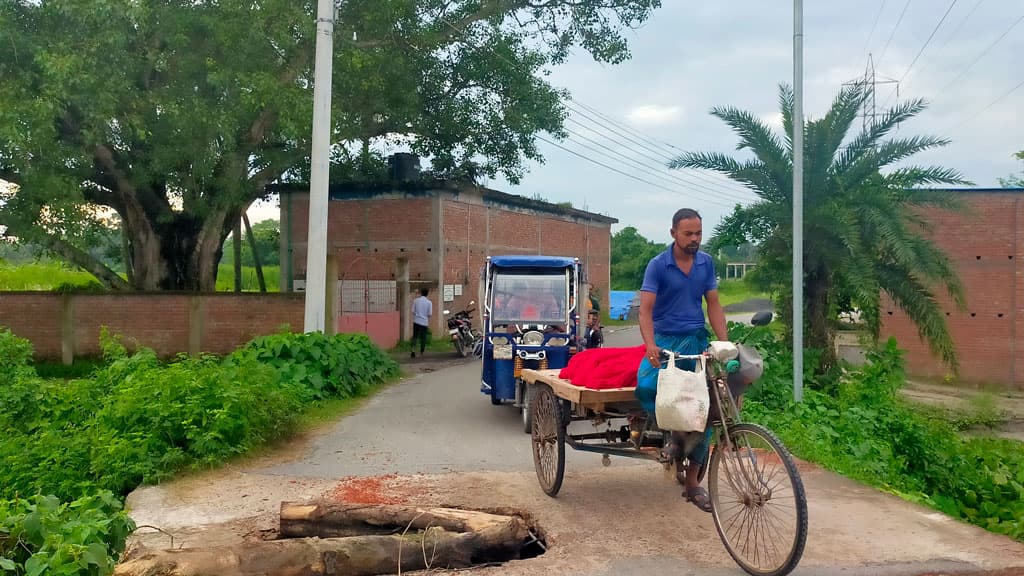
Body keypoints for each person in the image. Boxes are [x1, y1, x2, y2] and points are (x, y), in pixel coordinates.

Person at [636, 208, 728, 513]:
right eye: (688, 233)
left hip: (696, 339)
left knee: (709, 403)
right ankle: (674, 434)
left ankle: (692, 484)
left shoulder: (706, 263)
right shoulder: (658, 265)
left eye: (698, 233)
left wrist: (722, 343)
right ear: (673, 233)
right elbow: (645, 310)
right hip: (665, 340)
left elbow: (713, 304)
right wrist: (650, 344)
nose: (694, 239)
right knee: (648, 385)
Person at [411, 287, 432, 358]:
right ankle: (422, 352)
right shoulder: (429, 302)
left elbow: (413, 311)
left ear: (421, 293)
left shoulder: (416, 300)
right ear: (427, 294)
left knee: (415, 336)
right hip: (424, 322)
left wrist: (417, 315)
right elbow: (429, 314)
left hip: (416, 321)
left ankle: (413, 351)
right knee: (423, 337)